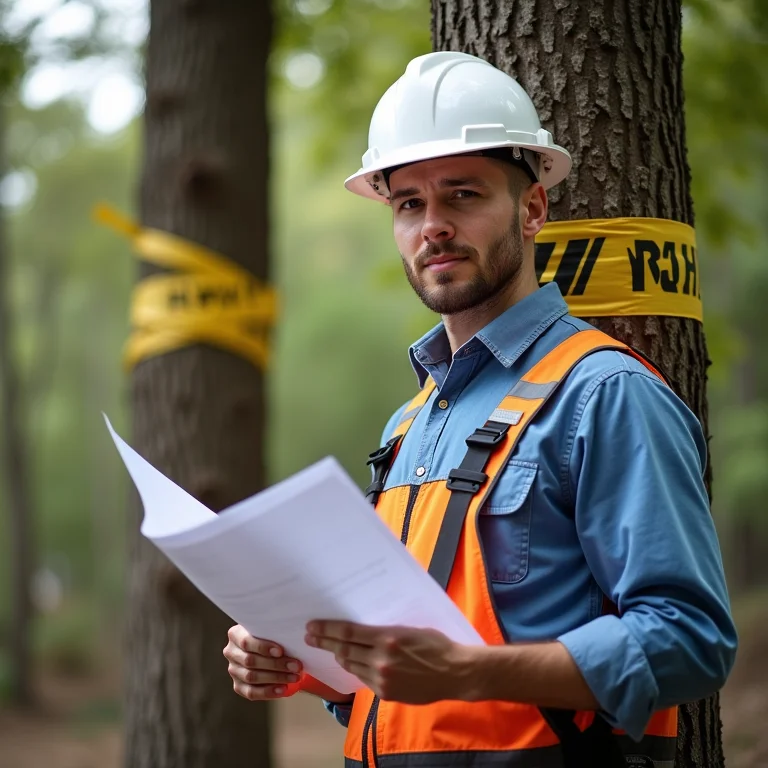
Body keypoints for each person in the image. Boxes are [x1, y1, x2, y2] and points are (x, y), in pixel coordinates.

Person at [223, 51, 737, 767]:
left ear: (532, 210)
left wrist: (469, 672)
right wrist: (306, 665)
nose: (432, 225)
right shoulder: (407, 426)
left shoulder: (602, 393)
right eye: (409, 204)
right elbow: (408, 673)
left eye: (462, 195)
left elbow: (691, 639)